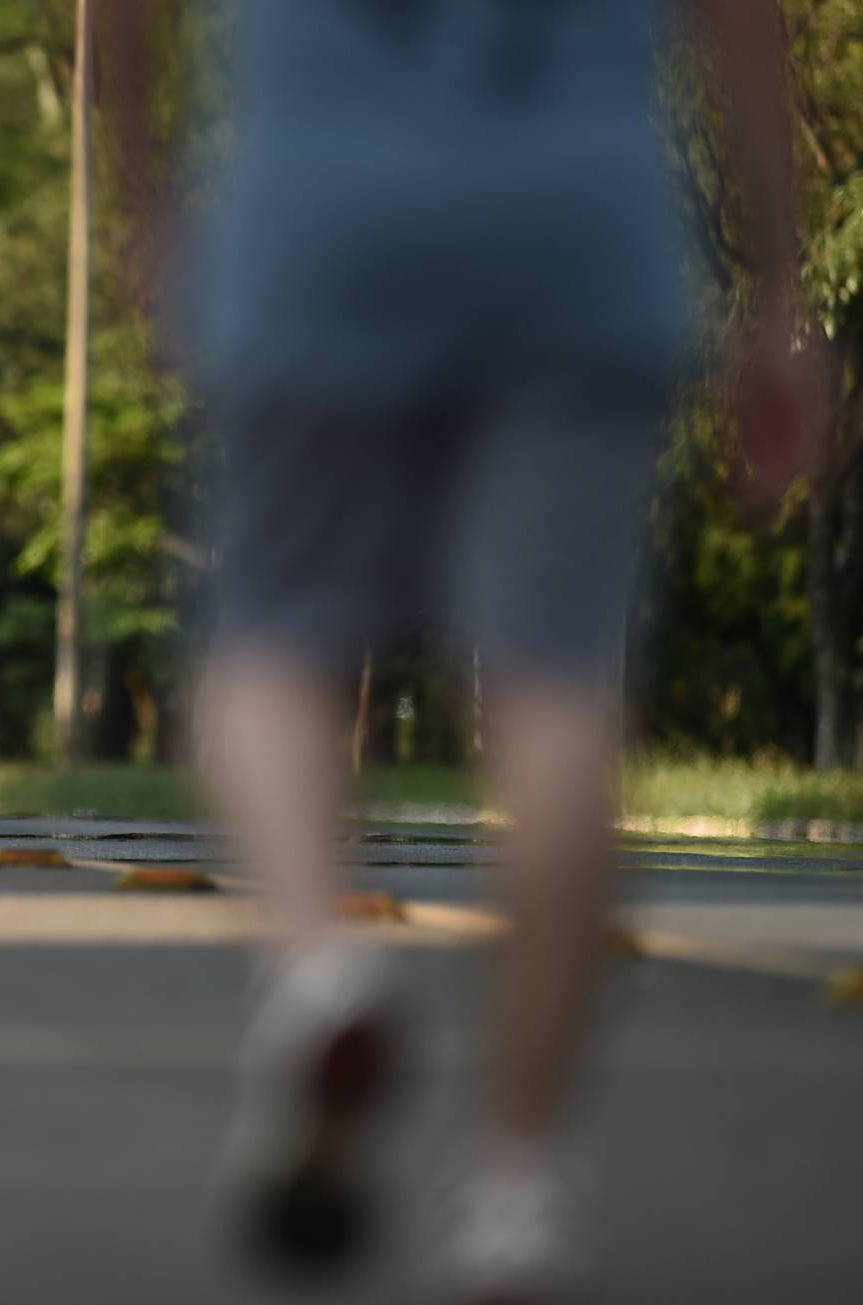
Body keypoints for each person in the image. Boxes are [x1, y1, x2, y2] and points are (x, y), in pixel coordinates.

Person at [102, 1, 827, 1298]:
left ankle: (324, 967)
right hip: (581, 229)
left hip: (320, 217)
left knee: (274, 650)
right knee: (554, 692)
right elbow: (746, 27)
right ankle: (519, 1189)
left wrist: (145, 204)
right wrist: (778, 291)